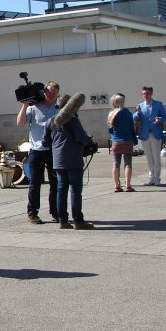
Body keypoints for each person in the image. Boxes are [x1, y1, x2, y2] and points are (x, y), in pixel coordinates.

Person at [44, 94, 95, 230]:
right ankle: (78, 221)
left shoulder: (51, 121)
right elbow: (82, 139)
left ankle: (63, 220)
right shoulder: (73, 121)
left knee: (61, 190)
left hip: (58, 161)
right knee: (75, 191)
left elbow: (46, 141)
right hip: (73, 160)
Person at [16, 80, 60, 224]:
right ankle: (32, 212)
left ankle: (55, 211)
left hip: (53, 150)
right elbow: (20, 123)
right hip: (37, 149)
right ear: (44, 91)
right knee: (35, 183)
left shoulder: (58, 108)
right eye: (49, 92)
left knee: (55, 182)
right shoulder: (34, 107)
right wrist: (24, 104)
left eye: (54, 93)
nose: (51, 95)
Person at [134, 86, 166, 185]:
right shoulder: (140, 105)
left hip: (155, 133)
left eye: (147, 93)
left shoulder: (158, 104)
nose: (145, 95)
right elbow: (135, 118)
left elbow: (164, 117)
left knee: (156, 157)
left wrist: (159, 119)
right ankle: (151, 177)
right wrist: (138, 112)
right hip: (145, 134)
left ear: (151, 94)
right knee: (149, 158)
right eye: (144, 94)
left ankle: (157, 178)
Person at [107, 93, 137, 192]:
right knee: (128, 163)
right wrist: (134, 139)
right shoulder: (128, 113)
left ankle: (116, 186)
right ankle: (128, 185)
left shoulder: (111, 114)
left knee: (116, 163)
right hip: (127, 140)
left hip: (116, 141)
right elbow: (132, 128)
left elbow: (110, 130)